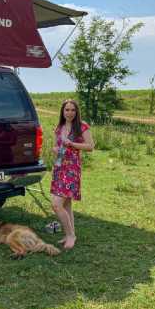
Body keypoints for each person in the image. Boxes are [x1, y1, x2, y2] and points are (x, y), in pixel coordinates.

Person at [50, 99, 95, 250]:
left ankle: (71, 235)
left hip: (71, 169)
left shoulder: (82, 126)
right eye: (67, 110)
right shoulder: (59, 127)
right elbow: (56, 146)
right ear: (62, 112)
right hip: (59, 168)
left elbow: (90, 146)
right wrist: (55, 149)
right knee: (66, 204)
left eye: (72, 110)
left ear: (77, 112)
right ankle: (70, 233)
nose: (69, 113)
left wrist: (73, 144)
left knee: (56, 204)